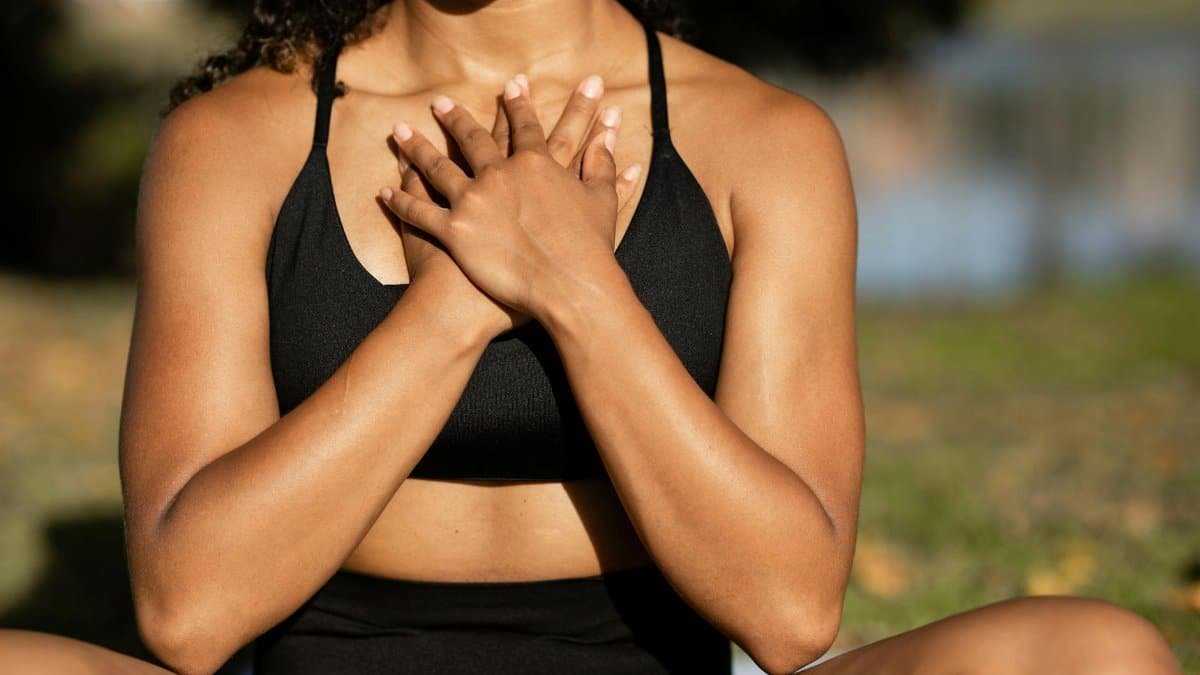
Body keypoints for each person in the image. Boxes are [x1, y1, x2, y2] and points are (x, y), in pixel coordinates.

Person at [0, 1, 1184, 674]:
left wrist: (577, 286)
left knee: (1096, 656)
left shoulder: (760, 140)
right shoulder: (239, 139)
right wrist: (457, 304)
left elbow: (788, 610)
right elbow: (190, 612)